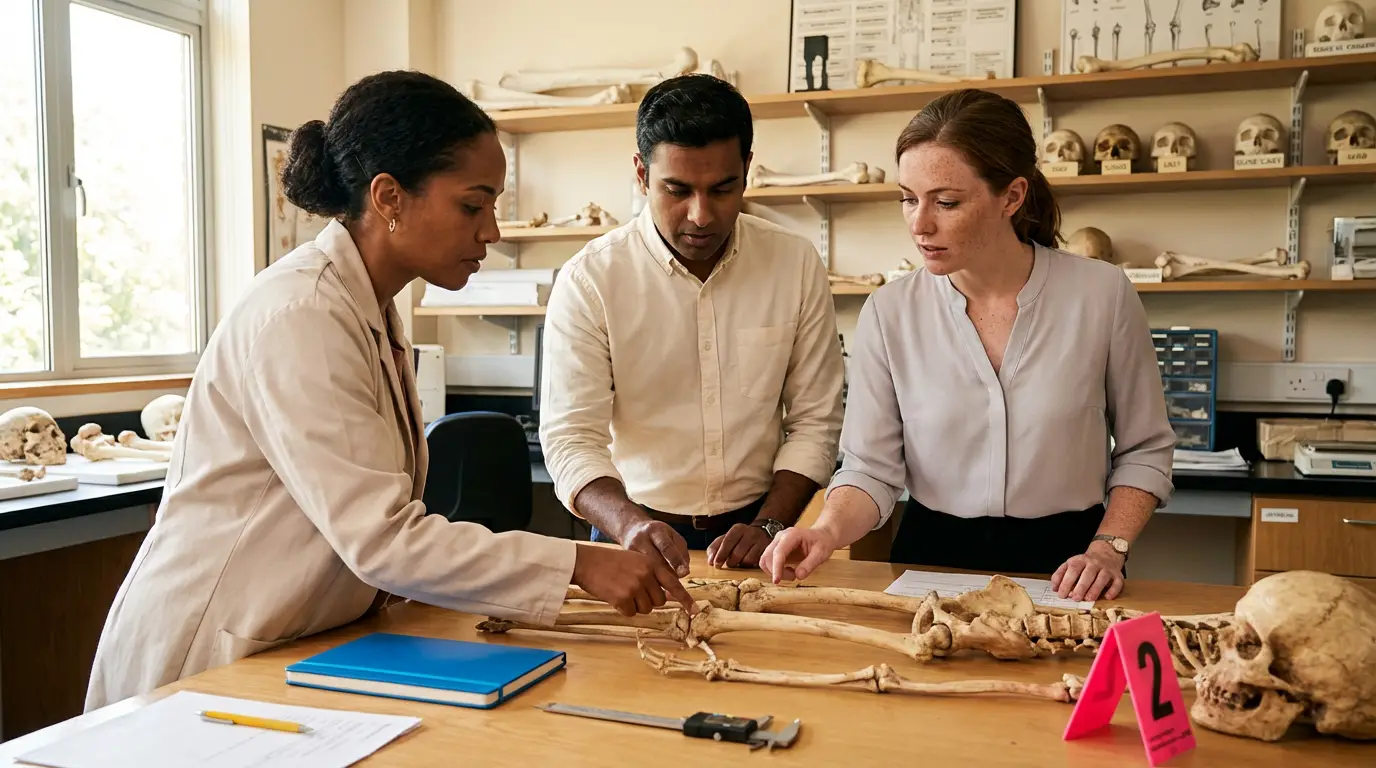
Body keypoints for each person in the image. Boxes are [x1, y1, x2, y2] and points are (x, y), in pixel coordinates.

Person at [84, 71, 695, 711]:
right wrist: (579, 563)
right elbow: (382, 538)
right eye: (472, 205)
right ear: (388, 197)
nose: (491, 231)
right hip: (206, 653)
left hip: (291, 642)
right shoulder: (302, 313)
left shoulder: (367, 307)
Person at [760, 89, 1175, 603]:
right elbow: (870, 467)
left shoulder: (1103, 294)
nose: (920, 223)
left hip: (1070, 565)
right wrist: (825, 530)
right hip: (928, 559)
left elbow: (1145, 449)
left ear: (1012, 196)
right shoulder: (889, 313)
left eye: (946, 202)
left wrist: (1109, 548)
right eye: (909, 198)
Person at [539, 74, 845, 575]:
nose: (700, 215)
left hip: (762, 527)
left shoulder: (794, 263)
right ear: (641, 174)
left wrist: (769, 526)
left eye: (722, 189)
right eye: (676, 190)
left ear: (747, 170)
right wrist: (630, 524)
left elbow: (815, 419)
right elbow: (572, 438)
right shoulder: (591, 279)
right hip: (632, 528)